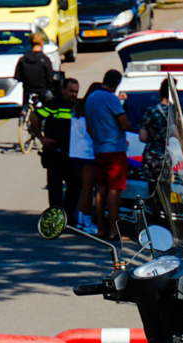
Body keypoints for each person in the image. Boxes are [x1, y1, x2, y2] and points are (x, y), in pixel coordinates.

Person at [138, 78, 183, 222]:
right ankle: (169, 221)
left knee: (152, 190)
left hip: (153, 155)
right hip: (172, 157)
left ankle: (156, 221)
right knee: (167, 190)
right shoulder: (181, 113)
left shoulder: (150, 111)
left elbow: (142, 137)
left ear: (160, 92)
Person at [85, 69, 131, 241]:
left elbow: (89, 126)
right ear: (116, 83)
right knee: (114, 190)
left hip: (99, 149)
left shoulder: (91, 98)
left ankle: (100, 228)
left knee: (101, 189)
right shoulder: (111, 99)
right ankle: (114, 230)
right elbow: (125, 124)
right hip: (115, 149)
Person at [31, 78, 81, 219]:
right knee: (55, 188)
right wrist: (41, 138)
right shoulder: (53, 104)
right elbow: (35, 118)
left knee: (75, 186)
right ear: (63, 90)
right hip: (55, 152)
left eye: (76, 92)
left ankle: (68, 217)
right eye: (71, 91)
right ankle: (55, 217)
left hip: (73, 153)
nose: (74, 95)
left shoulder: (79, 105)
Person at [70, 82, 103, 235]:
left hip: (76, 152)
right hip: (88, 153)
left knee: (85, 189)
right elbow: (91, 131)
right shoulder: (90, 108)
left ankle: (82, 221)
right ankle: (87, 223)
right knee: (88, 190)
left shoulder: (78, 107)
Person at [14, 32, 55, 107]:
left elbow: (18, 77)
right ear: (42, 43)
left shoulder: (23, 60)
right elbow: (50, 78)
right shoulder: (45, 60)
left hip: (28, 92)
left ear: (30, 43)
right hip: (42, 92)